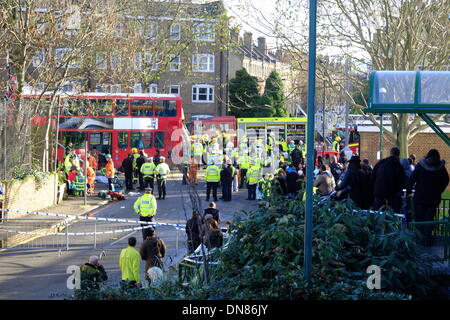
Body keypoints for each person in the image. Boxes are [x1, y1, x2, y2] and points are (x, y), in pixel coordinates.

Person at [406, 149, 449, 246]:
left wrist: (408, 191)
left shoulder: (421, 165)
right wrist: (439, 190)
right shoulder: (440, 167)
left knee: (419, 219)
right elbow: (446, 180)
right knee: (429, 220)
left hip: (420, 197)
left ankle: (418, 240)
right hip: (433, 199)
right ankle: (428, 241)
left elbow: (412, 179)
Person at [372, 147, 406, 212]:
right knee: (392, 215)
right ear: (399, 154)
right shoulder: (399, 166)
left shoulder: (381, 163)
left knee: (379, 214)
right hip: (392, 195)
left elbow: (373, 176)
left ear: (390, 153)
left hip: (379, 193)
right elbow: (402, 182)